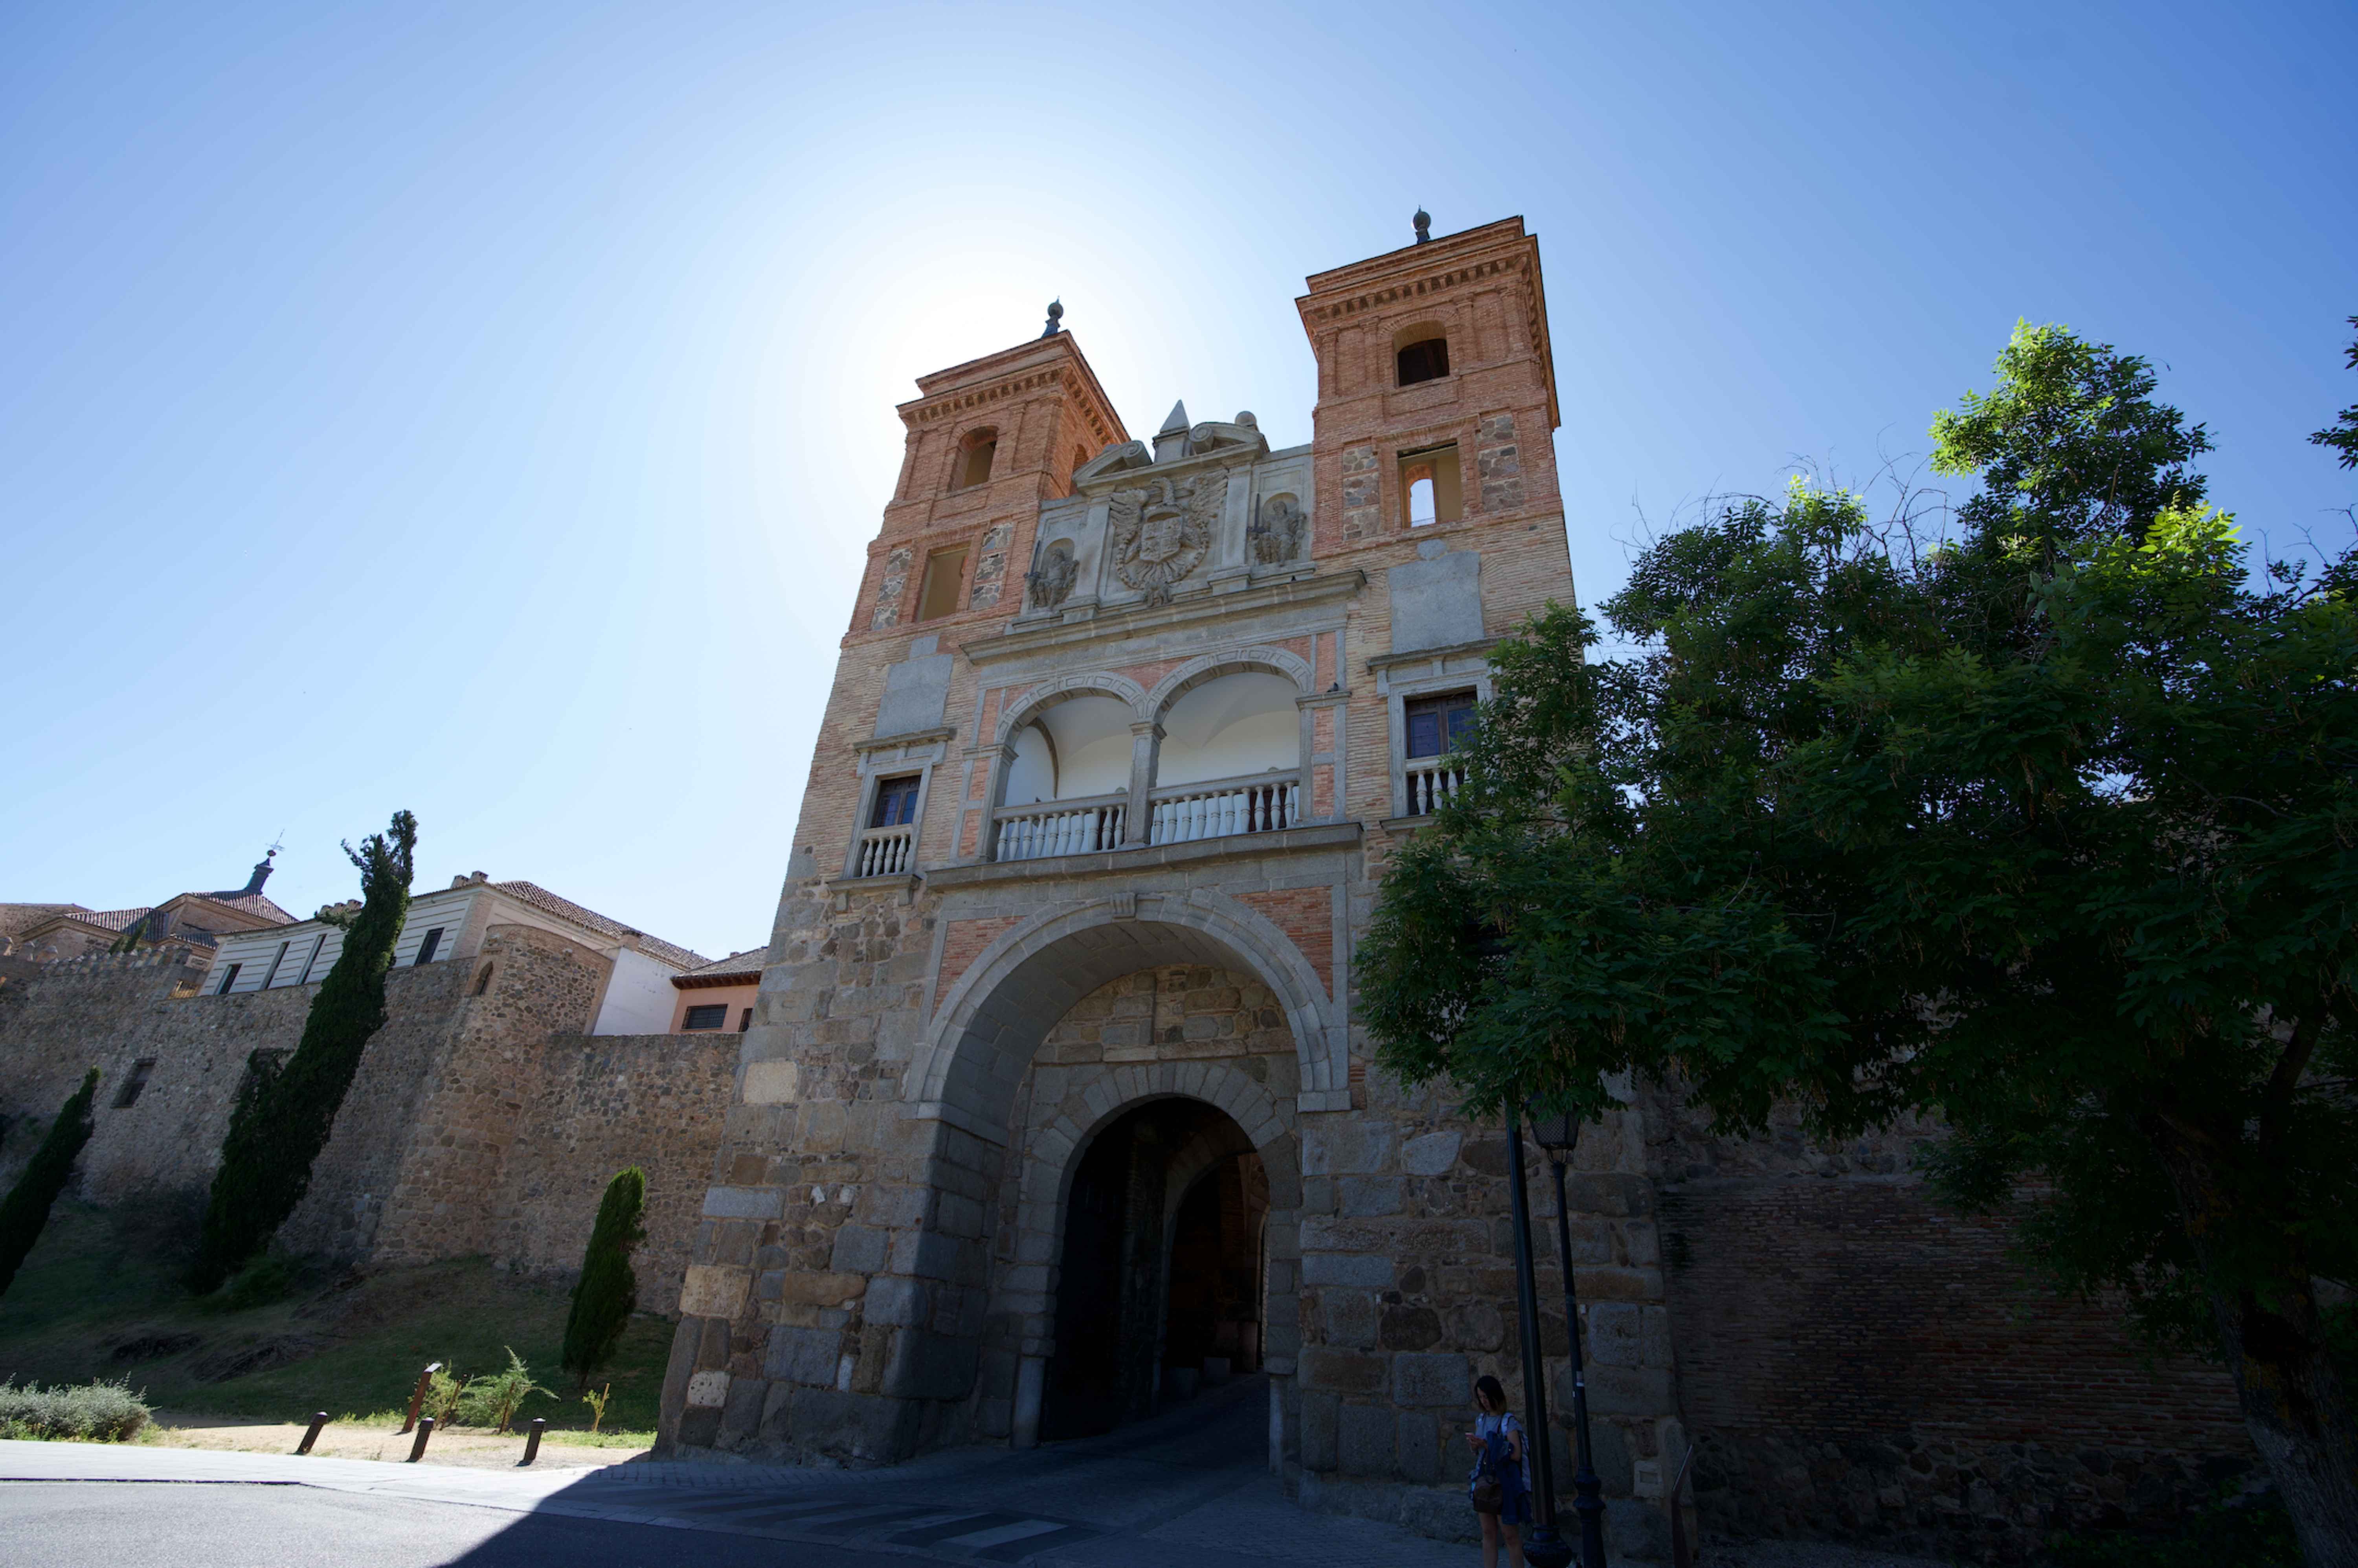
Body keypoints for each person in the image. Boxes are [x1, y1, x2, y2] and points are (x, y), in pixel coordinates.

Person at [1464, 1373, 1531, 1567]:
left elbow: (1516, 1454)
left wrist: (1487, 1445)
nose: (1484, 1401)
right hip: (1484, 1480)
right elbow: (1480, 1453)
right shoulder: (1481, 1420)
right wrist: (1476, 1445)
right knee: (1488, 1532)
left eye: (1486, 1397)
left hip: (1503, 1483)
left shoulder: (1507, 1421)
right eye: (1481, 1397)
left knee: (1510, 1535)